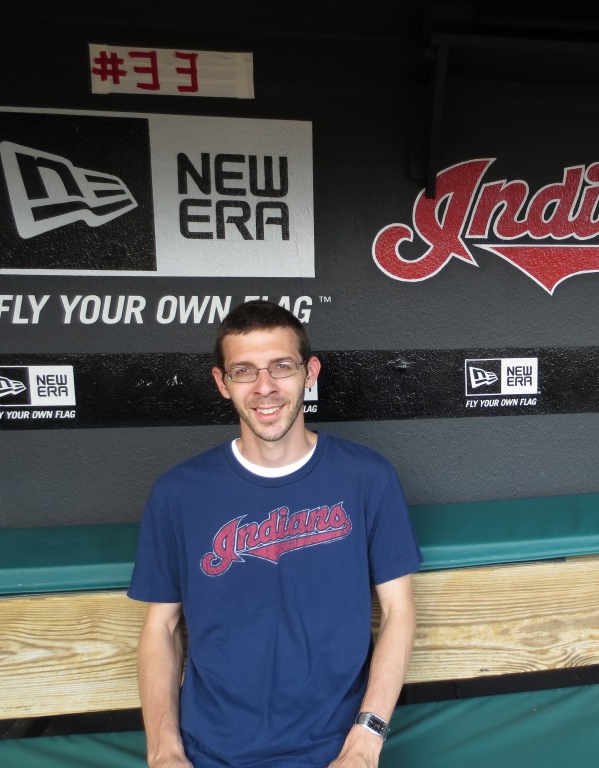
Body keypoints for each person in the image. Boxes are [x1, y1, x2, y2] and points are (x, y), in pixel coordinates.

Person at [129, 299, 422, 768]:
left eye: (281, 367)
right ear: (222, 383)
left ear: (310, 372)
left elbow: (398, 613)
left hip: (338, 752)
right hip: (213, 753)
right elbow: (160, 628)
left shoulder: (367, 477)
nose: (265, 387)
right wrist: (164, 752)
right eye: (244, 371)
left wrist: (366, 743)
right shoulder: (178, 493)